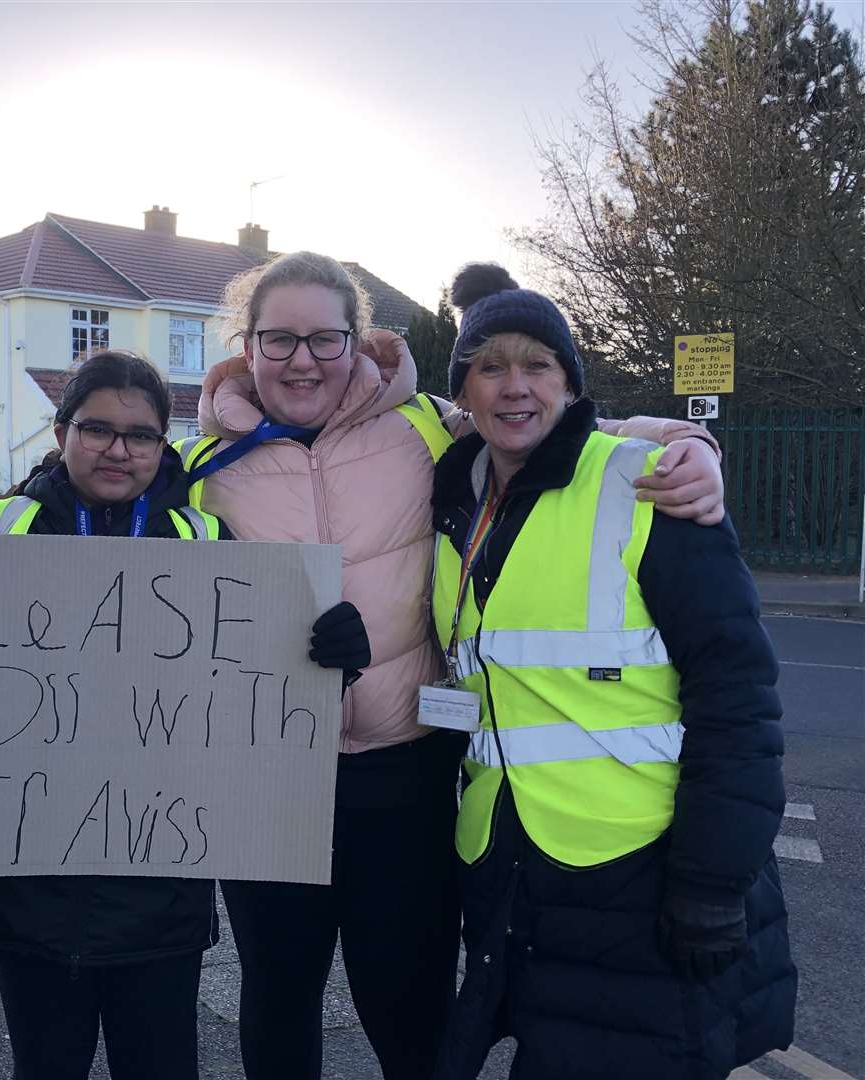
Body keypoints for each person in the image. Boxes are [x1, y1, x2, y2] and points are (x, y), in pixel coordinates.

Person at [173, 250, 727, 1080]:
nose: (302, 360)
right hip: (269, 781)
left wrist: (681, 441)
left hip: (404, 776)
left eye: (325, 339)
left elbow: (557, 426)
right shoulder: (203, 467)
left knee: (411, 1011)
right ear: (245, 345)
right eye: (278, 339)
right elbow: (89, 513)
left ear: (359, 342)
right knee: (278, 1002)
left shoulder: (429, 424)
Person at [429, 264, 795, 1080]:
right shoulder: (462, 504)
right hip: (518, 874)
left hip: (644, 872)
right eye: (491, 367)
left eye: (538, 366)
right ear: (465, 392)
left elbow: (737, 697)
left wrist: (712, 881)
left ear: (570, 384)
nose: (514, 387)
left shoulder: (646, 485)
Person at [0, 350, 230, 1080]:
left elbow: (254, 691)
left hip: (160, 878)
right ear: (61, 430)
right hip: (27, 881)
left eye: (140, 435)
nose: (117, 449)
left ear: (164, 442)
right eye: (96, 428)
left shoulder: (210, 546)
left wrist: (322, 645)